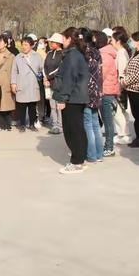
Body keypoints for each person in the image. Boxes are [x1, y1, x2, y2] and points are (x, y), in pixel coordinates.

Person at [53, 27, 90, 174]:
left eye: (64, 38)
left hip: (72, 98)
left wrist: (62, 98)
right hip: (77, 96)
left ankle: (77, 162)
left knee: (72, 130)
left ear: (69, 39)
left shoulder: (72, 55)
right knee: (78, 129)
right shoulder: (75, 54)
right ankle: (81, 158)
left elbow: (69, 79)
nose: (62, 41)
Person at [79, 28, 104, 164]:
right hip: (96, 90)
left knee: (88, 124)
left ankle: (91, 155)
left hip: (86, 91)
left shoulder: (84, 52)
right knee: (95, 124)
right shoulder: (96, 51)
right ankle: (99, 154)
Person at [11, 37, 44, 132]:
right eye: (22, 44)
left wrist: (41, 76)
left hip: (33, 85)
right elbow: (14, 71)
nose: (24, 47)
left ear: (32, 45)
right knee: (21, 106)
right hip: (21, 84)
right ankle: (22, 124)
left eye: (26, 45)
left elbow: (42, 69)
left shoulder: (37, 56)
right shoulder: (18, 57)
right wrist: (13, 83)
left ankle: (32, 124)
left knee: (32, 106)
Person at [96, 31, 119, 157]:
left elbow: (100, 75)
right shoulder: (105, 53)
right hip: (105, 91)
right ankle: (108, 146)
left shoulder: (105, 55)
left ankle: (109, 147)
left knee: (108, 121)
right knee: (106, 120)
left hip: (107, 92)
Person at [111, 30, 133, 144]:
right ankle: (122, 133)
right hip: (119, 85)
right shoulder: (121, 52)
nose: (111, 41)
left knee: (120, 111)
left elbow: (122, 72)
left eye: (112, 40)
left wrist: (119, 87)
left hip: (120, 86)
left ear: (118, 41)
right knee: (119, 111)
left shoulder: (121, 53)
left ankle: (125, 134)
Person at [44, 33, 64, 134]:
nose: (51, 43)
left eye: (53, 42)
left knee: (58, 105)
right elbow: (45, 67)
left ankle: (60, 125)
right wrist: (45, 78)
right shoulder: (49, 53)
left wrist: (48, 76)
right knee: (52, 105)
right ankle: (54, 124)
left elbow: (59, 69)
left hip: (59, 83)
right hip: (49, 84)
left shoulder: (63, 54)